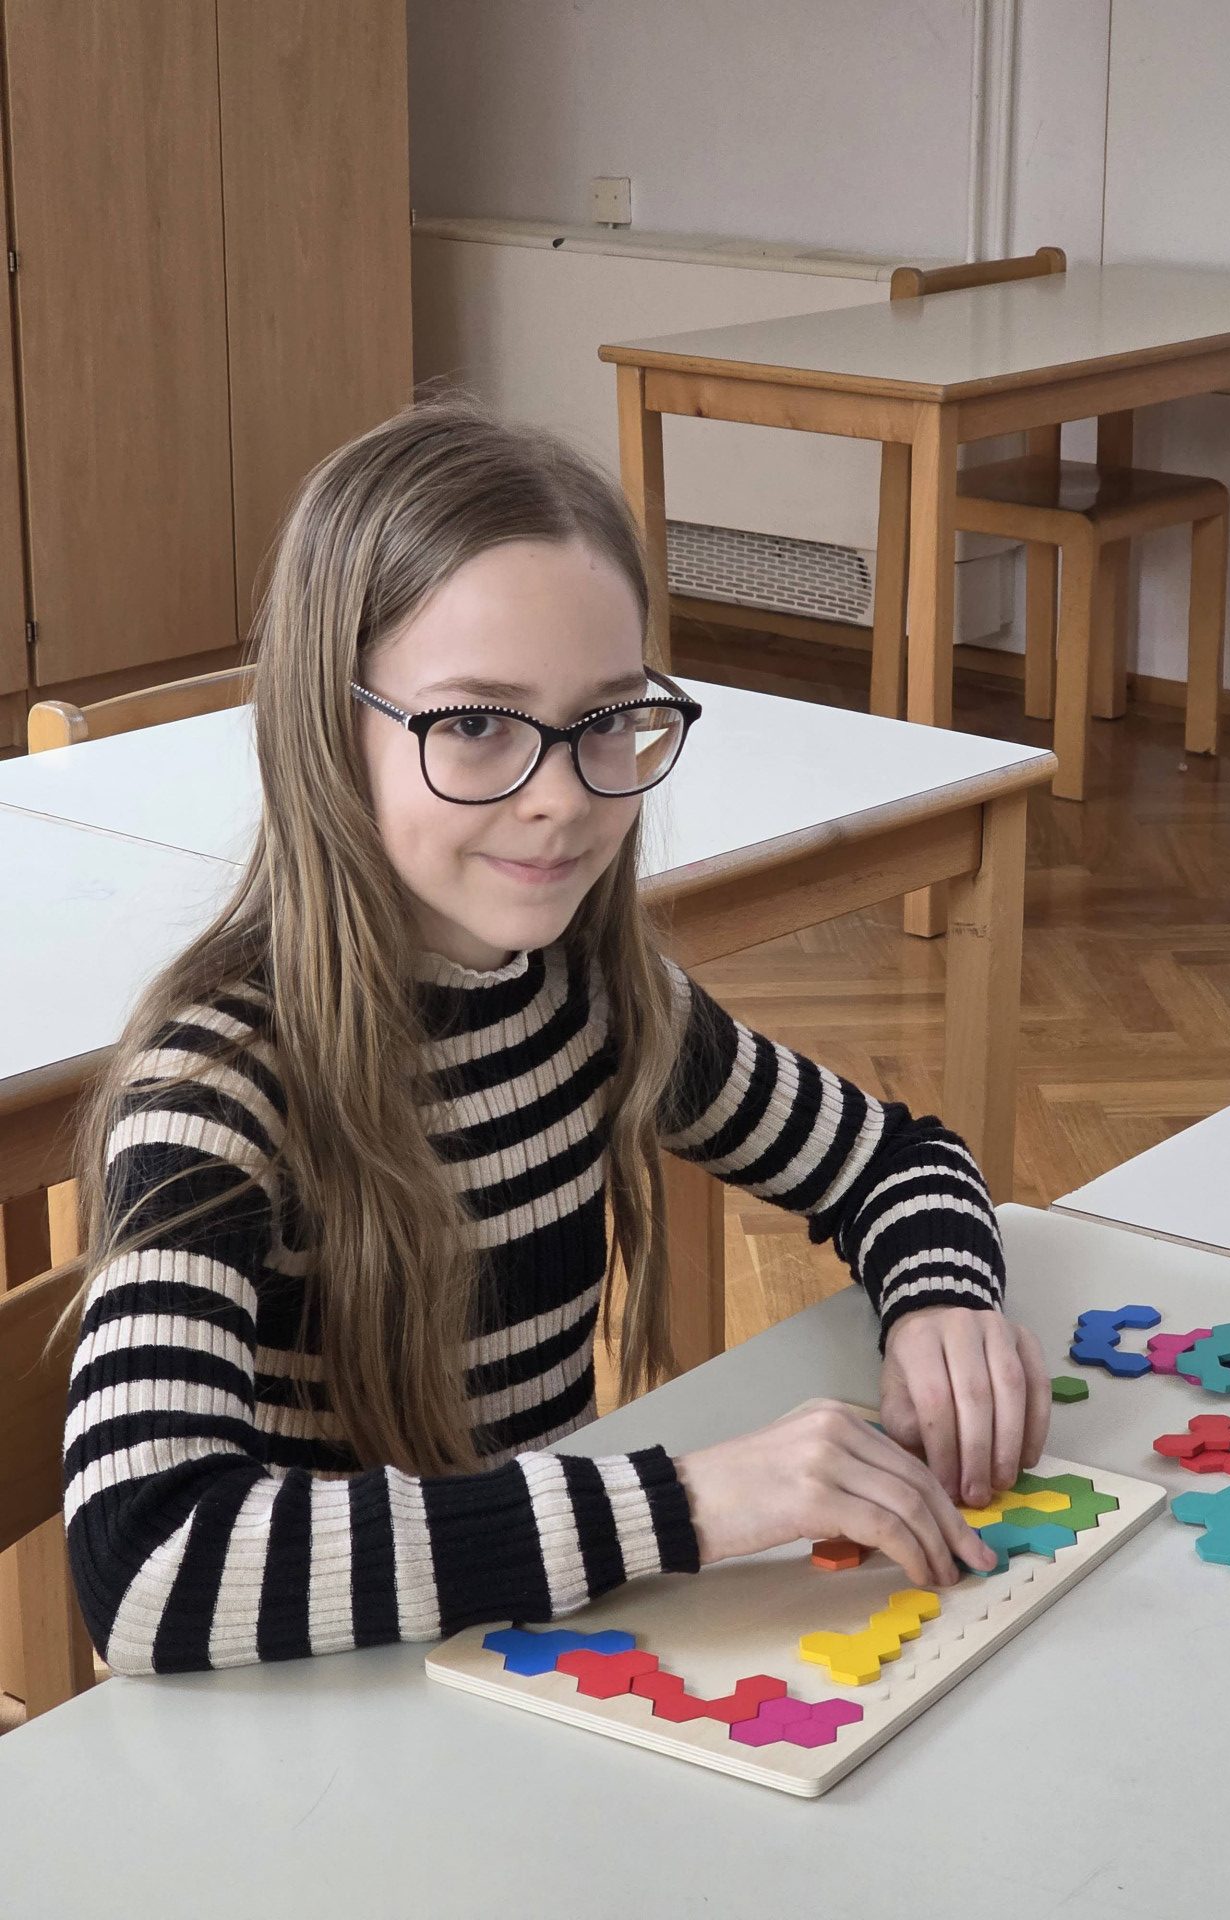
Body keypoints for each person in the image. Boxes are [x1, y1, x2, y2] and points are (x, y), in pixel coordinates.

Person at [53, 392, 1050, 1677]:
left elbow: (896, 1162)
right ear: (328, 726)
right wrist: (688, 1503)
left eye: (609, 719)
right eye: (476, 725)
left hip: (529, 1671)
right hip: (329, 1725)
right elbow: (143, 1565)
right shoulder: (220, 1088)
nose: (564, 798)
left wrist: (940, 1302)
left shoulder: (592, 999)